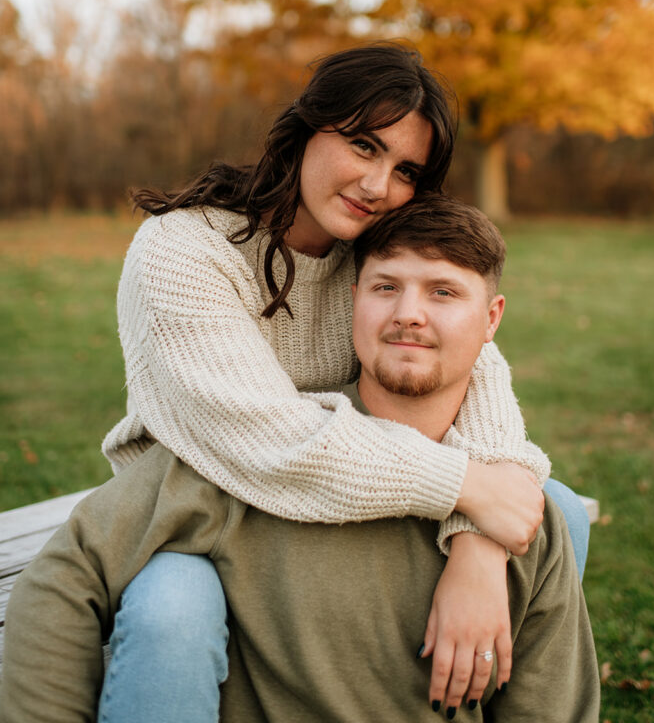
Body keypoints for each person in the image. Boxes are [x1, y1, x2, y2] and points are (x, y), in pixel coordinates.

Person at [85, 43, 587, 720]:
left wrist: (480, 542)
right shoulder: (184, 251)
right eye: (363, 146)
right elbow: (265, 438)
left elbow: (477, 371)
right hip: (203, 510)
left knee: (547, 506)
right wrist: (469, 489)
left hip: (352, 496)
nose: (379, 186)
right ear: (306, 127)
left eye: (406, 169)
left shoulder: (372, 250)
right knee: (172, 610)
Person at [0, 196, 600, 722]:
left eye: (443, 293)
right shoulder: (251, 463)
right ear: (353, 301)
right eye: (386, 286)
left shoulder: (513, 516)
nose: (409, 313)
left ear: (491, 319)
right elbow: (65, 574)